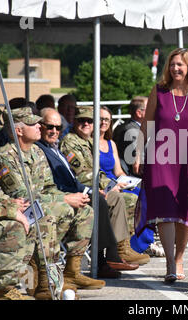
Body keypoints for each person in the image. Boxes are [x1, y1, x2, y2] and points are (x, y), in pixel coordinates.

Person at [0, 107, 106, 297]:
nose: (39, 126)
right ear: (19, 130)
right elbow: (23, 196)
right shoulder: (5, 157)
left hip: (42, 205)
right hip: (20, 212)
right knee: (48, 217)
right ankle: (46, 282)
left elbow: (48, 187)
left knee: (85, 211)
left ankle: (71, 272)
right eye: (33, 124)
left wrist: (67, 198)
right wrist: (65, 198)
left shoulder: (36, 152)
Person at [35, 107, 139, 278]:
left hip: (81, 188)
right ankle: (109, 256)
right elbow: (82, 173)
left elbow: (85, 175)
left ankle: (119, 250)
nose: (54, 131)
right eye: (50, 127)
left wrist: (98, 188)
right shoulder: (63, 144)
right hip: (61, 195)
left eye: (90, 121)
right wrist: (101, 188)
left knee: (124, 196)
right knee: (104, 200)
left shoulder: (60, 146)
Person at [0, 100, 61, 300]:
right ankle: (1, 291)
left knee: (36, 220)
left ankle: (43, 283)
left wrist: (13, 205)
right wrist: (11, 211)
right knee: (16, 228)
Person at [133, 48, 188, 283]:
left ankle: (180, 257)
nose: (176, 68)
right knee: (165, 211)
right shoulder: (159, 91)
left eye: (181, 65)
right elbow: (147, 125)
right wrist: (137, 154)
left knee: (185, 209)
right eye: (173, 64)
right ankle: (170, 262)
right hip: (161, 157)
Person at [59, 106, 150, 265]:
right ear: (74, 122)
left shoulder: (87, 142)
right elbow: (82, 173)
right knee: (121, 198)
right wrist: (110, 185)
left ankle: (123, 248)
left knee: (136, 196)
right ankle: (118, 251)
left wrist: (115, 183)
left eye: (90, 120)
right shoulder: (71, 142)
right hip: (79, 190)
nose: (86, 124)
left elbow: (100, 170)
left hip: (96, 188)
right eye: (82, 120)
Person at [99, 106, 163, 257]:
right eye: (100, 119)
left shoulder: (110, 143)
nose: (103, 122)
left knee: (145, 193)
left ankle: (144, 242)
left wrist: (126, 181)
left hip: (117, 181)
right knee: (134, 199)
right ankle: (130, 245)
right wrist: (115, 184)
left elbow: (118, 171)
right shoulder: (88, 143)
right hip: (103, 184)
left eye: (107, 119)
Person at [112, 96, 148, 175]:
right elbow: (139, 164)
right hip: (134, 178)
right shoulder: (131, 131)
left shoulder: (139, 127)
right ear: (139, 113)